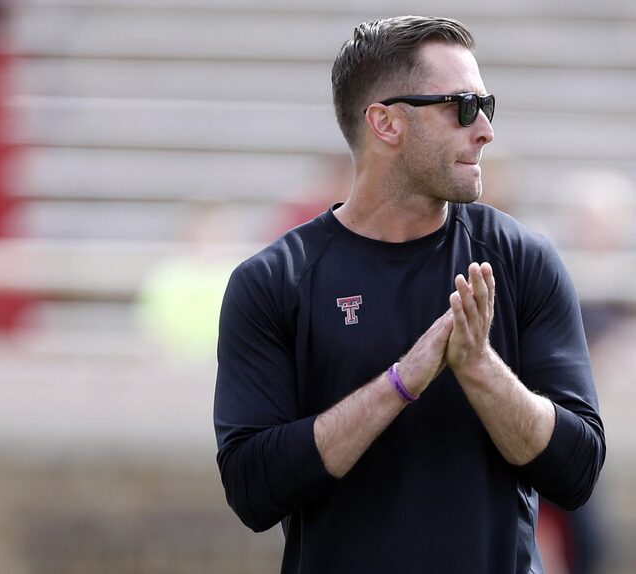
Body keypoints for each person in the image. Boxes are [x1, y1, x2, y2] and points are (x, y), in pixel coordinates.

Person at [213, 15, 605, 573]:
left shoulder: (521, 259)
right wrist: (400, 383)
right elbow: (253, 490)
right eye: (463, 108)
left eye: (487, 106)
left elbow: (578, 470)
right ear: (387, 124)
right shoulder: (276, 280)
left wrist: (478, 368)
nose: (485, 129)